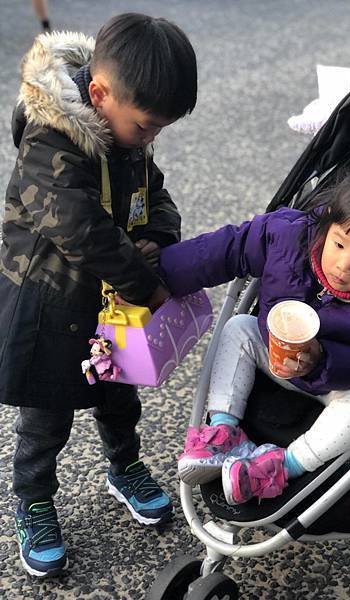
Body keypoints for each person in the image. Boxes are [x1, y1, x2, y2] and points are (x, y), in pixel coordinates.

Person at [0, 13, 197, 576]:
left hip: (111, 301)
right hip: (50, 297)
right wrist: (147, 281)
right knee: (46, 414)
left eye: (160, 128)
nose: (151, 137)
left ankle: (124, 466)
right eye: (147, 126)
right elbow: (79, 227)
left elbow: (155, 196)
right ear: (98, 93)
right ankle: (33, 500)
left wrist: (159, 236)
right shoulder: (50, 139)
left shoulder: (126, 132)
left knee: (118, 396)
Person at [156, 167, 350, 505]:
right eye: (338, 244)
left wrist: (324, 360)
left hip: (338, 383)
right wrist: (157, 276)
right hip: (270, 350)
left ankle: (282, 467)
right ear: (325, 227)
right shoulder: (289, 235)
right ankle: (223, 430)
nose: (344, 264)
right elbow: (225, 248)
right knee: (238, 328)